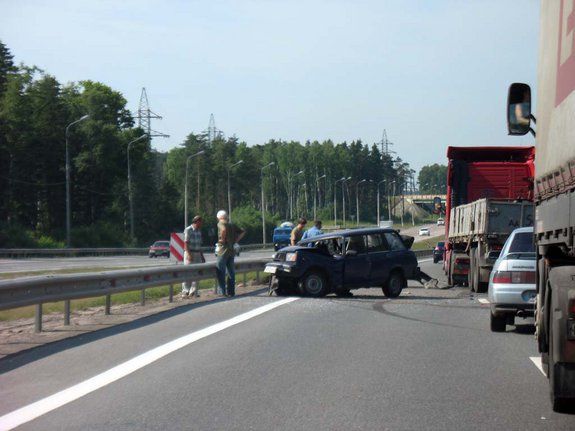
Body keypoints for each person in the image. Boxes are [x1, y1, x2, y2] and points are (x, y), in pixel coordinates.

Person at [215, 210, 245, 297]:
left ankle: (222, 292)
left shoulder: (221, 223)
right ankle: (231, 292)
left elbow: (223, 230)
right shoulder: (231, 225)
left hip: (223, 251)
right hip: (231, 251)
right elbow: (243, 231)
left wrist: (222, 239)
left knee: (221, 271)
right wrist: (236, 241)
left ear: (219, 217)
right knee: (231, 272)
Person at [181, 215, 205, 298]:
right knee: (188, 272)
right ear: (197, 221)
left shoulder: (199, 231)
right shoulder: (188, 230)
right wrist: (188, 254)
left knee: (197, 273)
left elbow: (200, 245)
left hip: (198, 253)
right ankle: (185, 291)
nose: (202, 224)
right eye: (201, 222)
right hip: (190, 253)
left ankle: (193, 291)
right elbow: (186, 243)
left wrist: (202, 257)